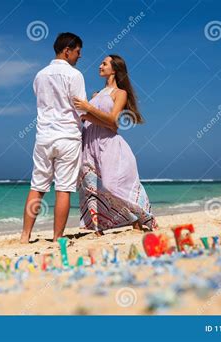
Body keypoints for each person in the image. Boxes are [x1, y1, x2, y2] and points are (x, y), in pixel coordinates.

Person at [73, 54, 159, 236]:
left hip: (108, 145)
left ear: (114, 69)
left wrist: (88, 110)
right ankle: (98, 229)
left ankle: (139, 216)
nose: (100, 65)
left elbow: (113, 122)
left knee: (111, 186)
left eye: (104, 63)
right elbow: (94, 118)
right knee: (91, 186)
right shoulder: (96, 95)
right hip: (89, 142)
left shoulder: (120, 93)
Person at [20, 32, 86, 244]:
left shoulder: (39, 75)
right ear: (67, 51)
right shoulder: (75, 75)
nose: (79, 56)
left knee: (37, 187)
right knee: (64, 189)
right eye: (77, 52)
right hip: (67, 136)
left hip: (44, 136)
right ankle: (58, 237)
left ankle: (24, 236)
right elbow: (81, 110)